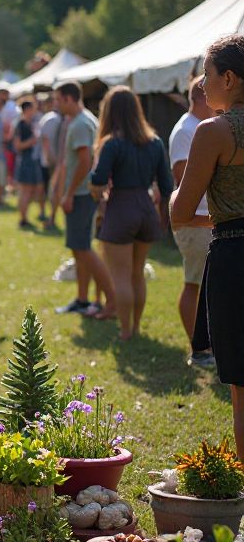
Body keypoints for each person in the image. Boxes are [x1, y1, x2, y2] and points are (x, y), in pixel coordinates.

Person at [172, 35, 244, 458]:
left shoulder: (214, 131)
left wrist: (173, 197)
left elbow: (181, 212)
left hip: (235, 257)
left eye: (208, 73)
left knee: (242, 390)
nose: (202, 83)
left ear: (229, 79)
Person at [89, 86, 173, 341]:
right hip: (146, 209)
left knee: (121, 276)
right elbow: (166, 185)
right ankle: (135, 326)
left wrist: (98, 196)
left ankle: (125, 332)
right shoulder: (155, 142)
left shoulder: (111, 143)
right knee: (137, 274)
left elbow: (97, 179)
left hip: (120, 208)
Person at [54, 81, 115, 319]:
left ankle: (111, 300)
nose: (56, 105)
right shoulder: (84, 120)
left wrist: (68, 193)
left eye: (58, 99)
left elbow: (85, 161)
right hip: (82, 194)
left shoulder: (80, 123)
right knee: (79, 249)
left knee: (83, 249)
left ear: (69, 98)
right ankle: (82, 299)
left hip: (80, 195)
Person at [169, 76, 216, 368]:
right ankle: (199, 348)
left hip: (201, 219)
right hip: (194, 220)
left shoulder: (194, 127)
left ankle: (204, 345)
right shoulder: (187, 130)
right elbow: (182, 177)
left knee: (199, 283)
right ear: (202, 97)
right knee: (193, 282)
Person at [13, 98, 44, 229]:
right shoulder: (20, 125)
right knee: (25, 191)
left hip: (31, 160)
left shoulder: (30, 124)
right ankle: (23, 219)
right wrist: (31, 142)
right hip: (25, 161)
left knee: (30, 191)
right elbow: (17, 145)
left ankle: (24, 217)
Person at [37, 94, 62, 228]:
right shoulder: (52, 118)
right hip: (50, 160)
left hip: (49, 160)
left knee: (47, 188)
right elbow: (45, 140)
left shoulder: (50, 117)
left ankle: (47, 214)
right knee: (50, 189)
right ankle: (49, 215)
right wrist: (50, 157)